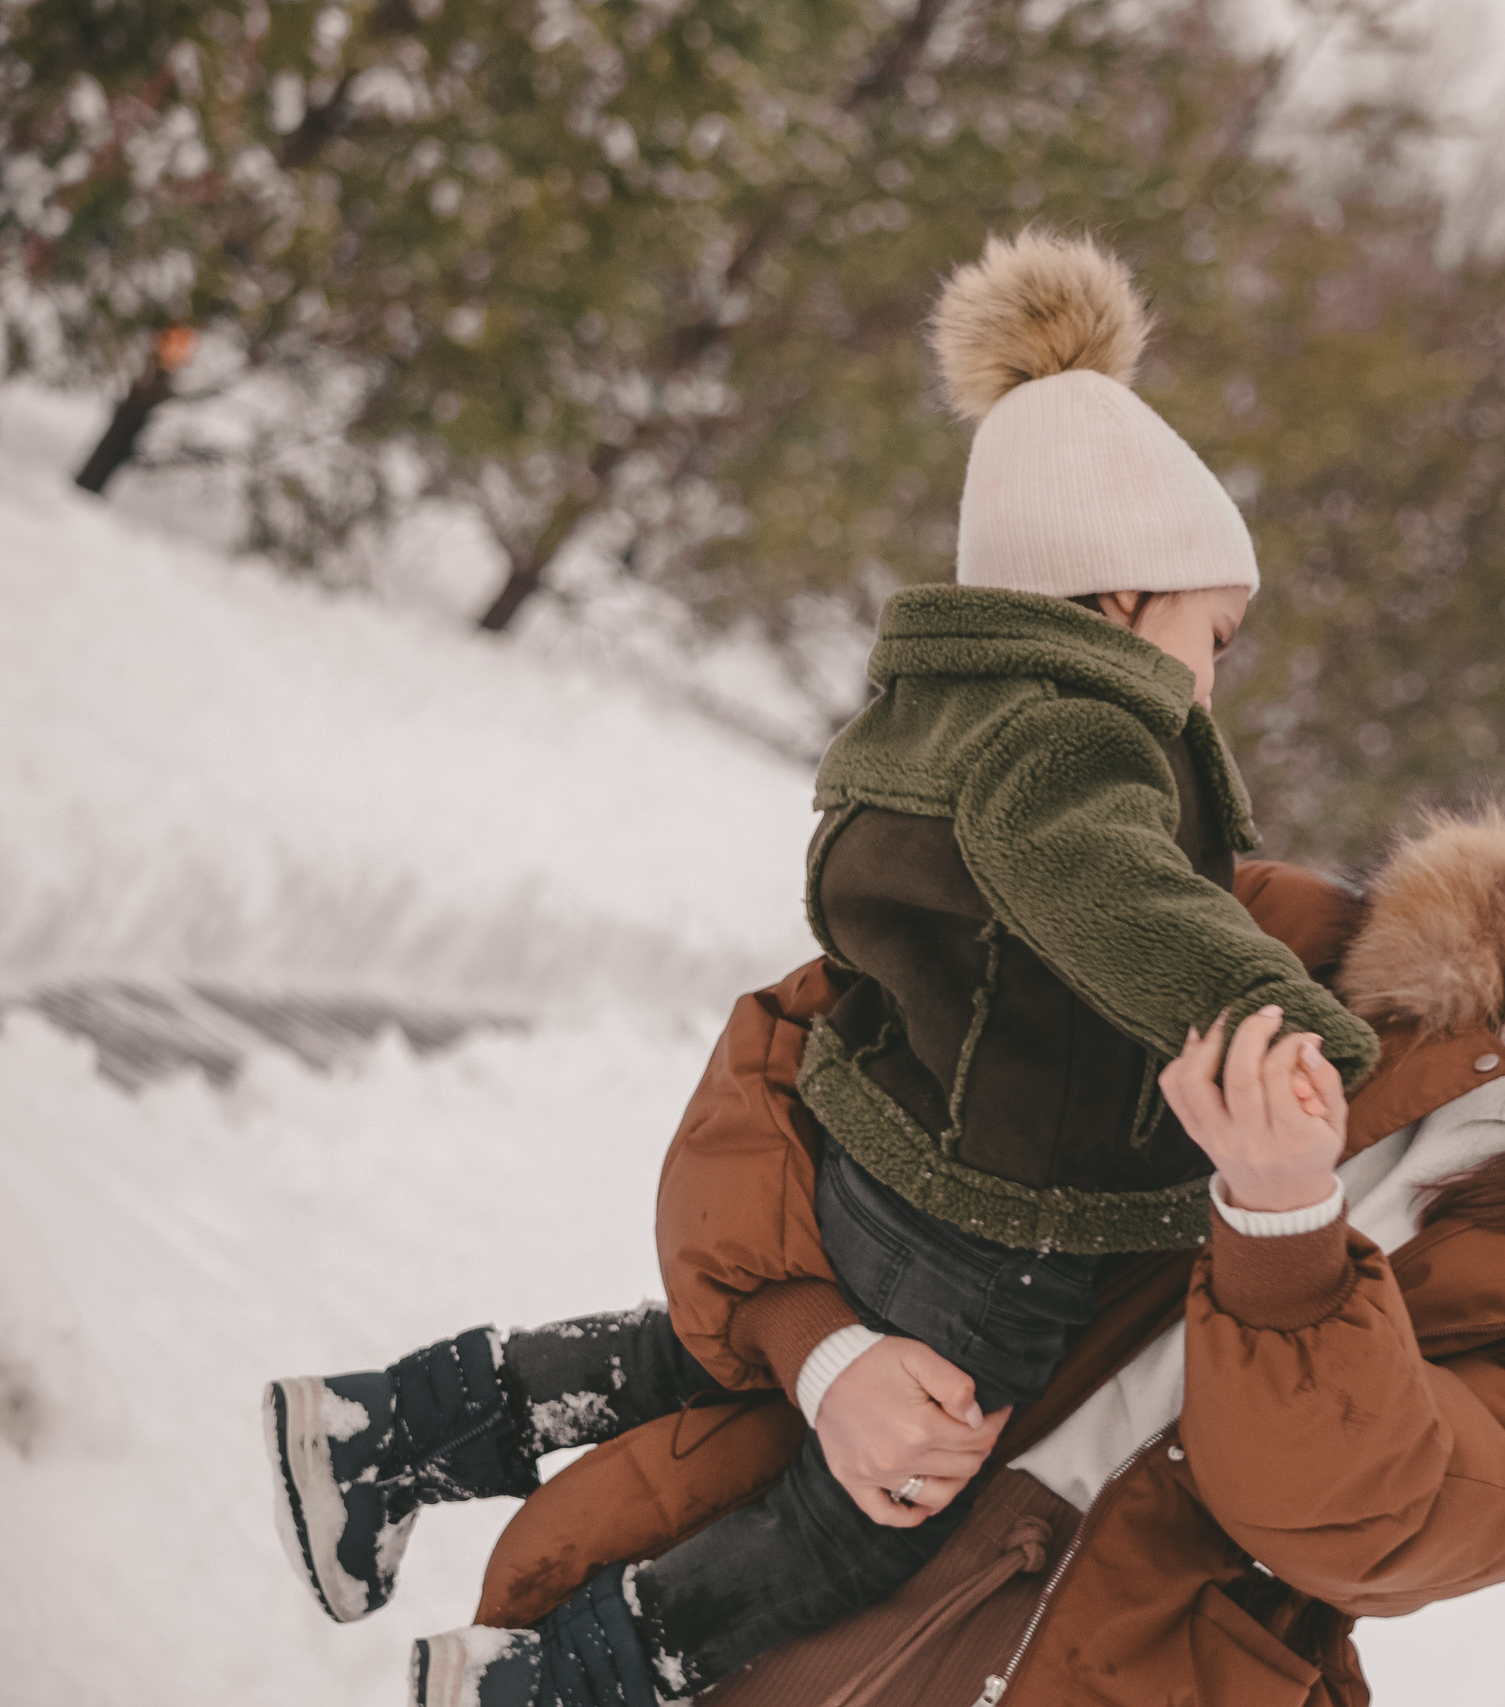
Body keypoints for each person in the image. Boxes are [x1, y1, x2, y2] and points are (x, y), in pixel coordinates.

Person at [332, 691, 1505, 1707]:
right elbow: (847, 1021)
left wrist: (1283, 1228)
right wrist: (811, 1348)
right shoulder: (1300, 951)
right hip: (781, 1581)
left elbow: (1359, 1522)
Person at [256, 231, 1378, 1705]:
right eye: (1212, 636)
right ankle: (557, 1680)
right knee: (870, 1521)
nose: (1216, 680)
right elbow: (1111, 894)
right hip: (1001, 1222)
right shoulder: (1078, 736)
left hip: (883, 1159)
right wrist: (1292, 1031)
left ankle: (382, 1430)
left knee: (713, 1360)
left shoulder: (941, 713)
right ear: (1118, 604)